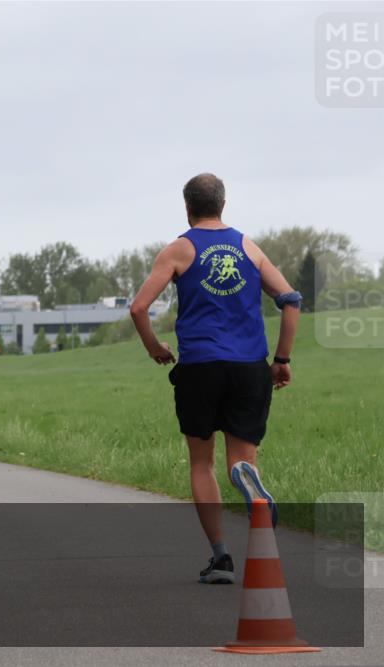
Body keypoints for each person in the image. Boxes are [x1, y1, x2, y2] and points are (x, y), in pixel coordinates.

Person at [130, 173, 299, 585]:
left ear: (187, 206)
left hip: (200, 367)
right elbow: (290, 300)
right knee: (241, 461)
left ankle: (221, 558)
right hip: (248, 367)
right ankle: (258, 535)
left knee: (201, 463)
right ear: (223, 203)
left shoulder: (179, 249)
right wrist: (281, 359)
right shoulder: (248, 247)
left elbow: (138, 307)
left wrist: (155, 347)